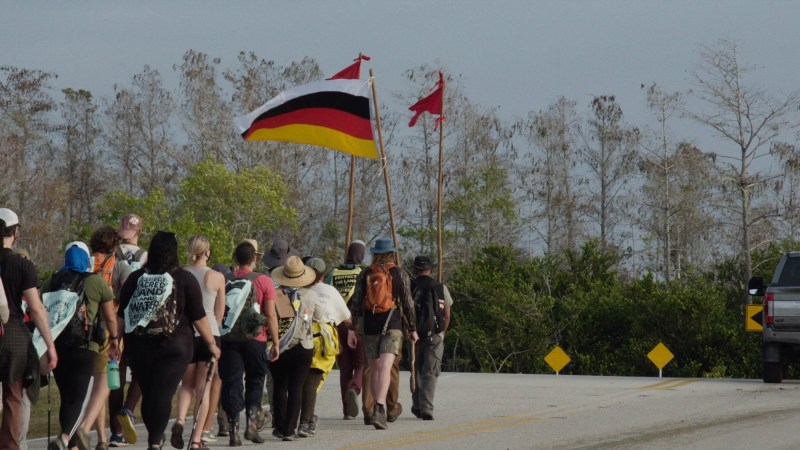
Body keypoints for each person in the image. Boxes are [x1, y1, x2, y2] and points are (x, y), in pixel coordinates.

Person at [117, 231, 220, 450]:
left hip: (139, 346)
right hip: (175, 346)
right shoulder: (183, 278)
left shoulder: (136, 279)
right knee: (163, 394)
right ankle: (155, 441)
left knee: (149, 392)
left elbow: (121, 316)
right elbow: (199, 317)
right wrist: (212, 344)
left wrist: (115, 342)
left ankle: (155, 439)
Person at [44, 241, 121, 450]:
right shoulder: (95, 281)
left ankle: (68, 442)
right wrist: (114, 338)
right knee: (79, 399)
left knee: (67, 397)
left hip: (58, 346)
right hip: (85, 347)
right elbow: (110, 317)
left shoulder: (52, 281)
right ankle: (66, 438)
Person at [0, 209, 59, 450]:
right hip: (13, 335)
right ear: (15, 232)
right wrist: (50, 345)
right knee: (14, 398)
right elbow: (35, 308)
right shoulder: (22, 266)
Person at [347, 237, 418, 430]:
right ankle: (380, 408)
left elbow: (357, 302)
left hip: (370, 325)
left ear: (375, 254)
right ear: (392, 253)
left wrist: (353, 328)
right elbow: (408, 302)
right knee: (386, 367)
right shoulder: (399, 273)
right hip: (392, 323)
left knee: (374, 368)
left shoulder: (365, 273)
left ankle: (371, 410)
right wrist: (412, 328)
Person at [218, 240, 279, 446]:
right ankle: (252, 426)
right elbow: (270, 314)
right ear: (255, 258)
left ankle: (233, 430)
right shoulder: (264, 280)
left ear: (235, 259)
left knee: (232, 382)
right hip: (256, 338)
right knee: (255, 380)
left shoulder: (224, 279)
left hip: (228, 338)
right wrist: (276, 342)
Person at [79, 226, 134, 450]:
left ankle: (101, 439)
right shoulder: (120, 266)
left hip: (83, 328)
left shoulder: (85, 263)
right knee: (104, 385)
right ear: (114, 246)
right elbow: (130, 292)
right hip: (109, 330)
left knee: (96, 383)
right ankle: (84, 428)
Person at [171, 236, 226, 449]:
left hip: (185, 335)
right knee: (204, 388)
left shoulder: (178, 275)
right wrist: (213, 331)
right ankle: (196, 439)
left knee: (187, 385)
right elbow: (219, 312)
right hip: (209, 334)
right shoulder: (216, 276)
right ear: (208, 253)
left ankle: (180, 420)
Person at [297, 257, 351, 437]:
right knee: (312, 381)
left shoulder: (297, 290)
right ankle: (306, 422)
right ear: (323, 275)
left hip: (298, 337)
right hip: (322, 340)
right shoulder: (329, 290)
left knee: (301, 381)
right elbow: (346, 317)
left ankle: (302, 417)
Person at [269, 255, 320, 441]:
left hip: (279, 344)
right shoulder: (311, 295)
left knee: (279, 386)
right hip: (303, 345)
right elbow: (319, 317)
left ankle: (280, 427)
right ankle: (290, 430)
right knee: (296, 386)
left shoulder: (274, 294)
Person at [110, 214, 148, 447]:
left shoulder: (113, 254)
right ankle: (126, 413)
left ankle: (117, 429)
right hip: (130, 317)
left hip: (117, 315)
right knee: (134, 371)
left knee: (118, 374)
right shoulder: (144, 255)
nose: (127, 228)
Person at [326, 240, 367, 420]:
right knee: (361, 364)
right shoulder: (363, 273)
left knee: (345, 367)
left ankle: (346, 410)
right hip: (357, 323)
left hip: (338, 323)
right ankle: (355, 388)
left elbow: (327, 295)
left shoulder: (334, 273)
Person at [410, 256, 452, 421]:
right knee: (430, 372)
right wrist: (441, 333)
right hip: (434, 335)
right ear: (431, 269)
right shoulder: (440, 287)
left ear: (415, 270)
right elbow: (447, 315)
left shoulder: (409, 286)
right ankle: (426, 407)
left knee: (416, 370)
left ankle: (417, 405)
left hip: (413, 334)